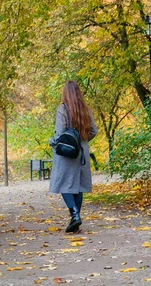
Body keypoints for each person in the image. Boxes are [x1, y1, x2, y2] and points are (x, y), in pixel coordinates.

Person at [49, 80, 98, 233]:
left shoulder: (62, 109)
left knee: (65, 184)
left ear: (65, 93)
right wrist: (82, 141)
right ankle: (75, 222)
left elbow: (59, 132)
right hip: (81, 151)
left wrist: (52, 142)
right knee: (78, 186)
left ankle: (75, 215)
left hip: (67, 152)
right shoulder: (86, 110)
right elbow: (93, 131)